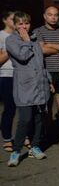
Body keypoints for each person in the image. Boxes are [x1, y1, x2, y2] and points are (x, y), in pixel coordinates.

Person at [5, 12, 52, 167]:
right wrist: (26, 42)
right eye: (20, 24)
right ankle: (16, 151)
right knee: (25, 119)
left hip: (40, 84)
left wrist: (49, 81)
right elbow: (22, 56)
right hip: (25, 86)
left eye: (26, 23)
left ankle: (35, 146)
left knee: (39, 117)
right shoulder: (11, 40)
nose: (24, 27)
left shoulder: (35, 38)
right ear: (15, 25)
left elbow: (41, 62)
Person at [33, 6, 59, 139]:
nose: (53, 17)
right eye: (50, 15)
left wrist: (49, 45)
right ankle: (46, 130)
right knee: (46, 104)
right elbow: (42, 50)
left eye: (55, 15)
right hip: (45, 72)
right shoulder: (38, 31)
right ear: (44, 16)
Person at [0, 11, 16, 152]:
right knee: (10, 108)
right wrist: (10, 49)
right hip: (6, 76)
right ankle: (7, 138)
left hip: (22, 76)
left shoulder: (19, 35)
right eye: (12, 19)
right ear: (5, 20)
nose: (15, 21)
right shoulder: (1, 36)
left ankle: (25, 137)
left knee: (25, 109)